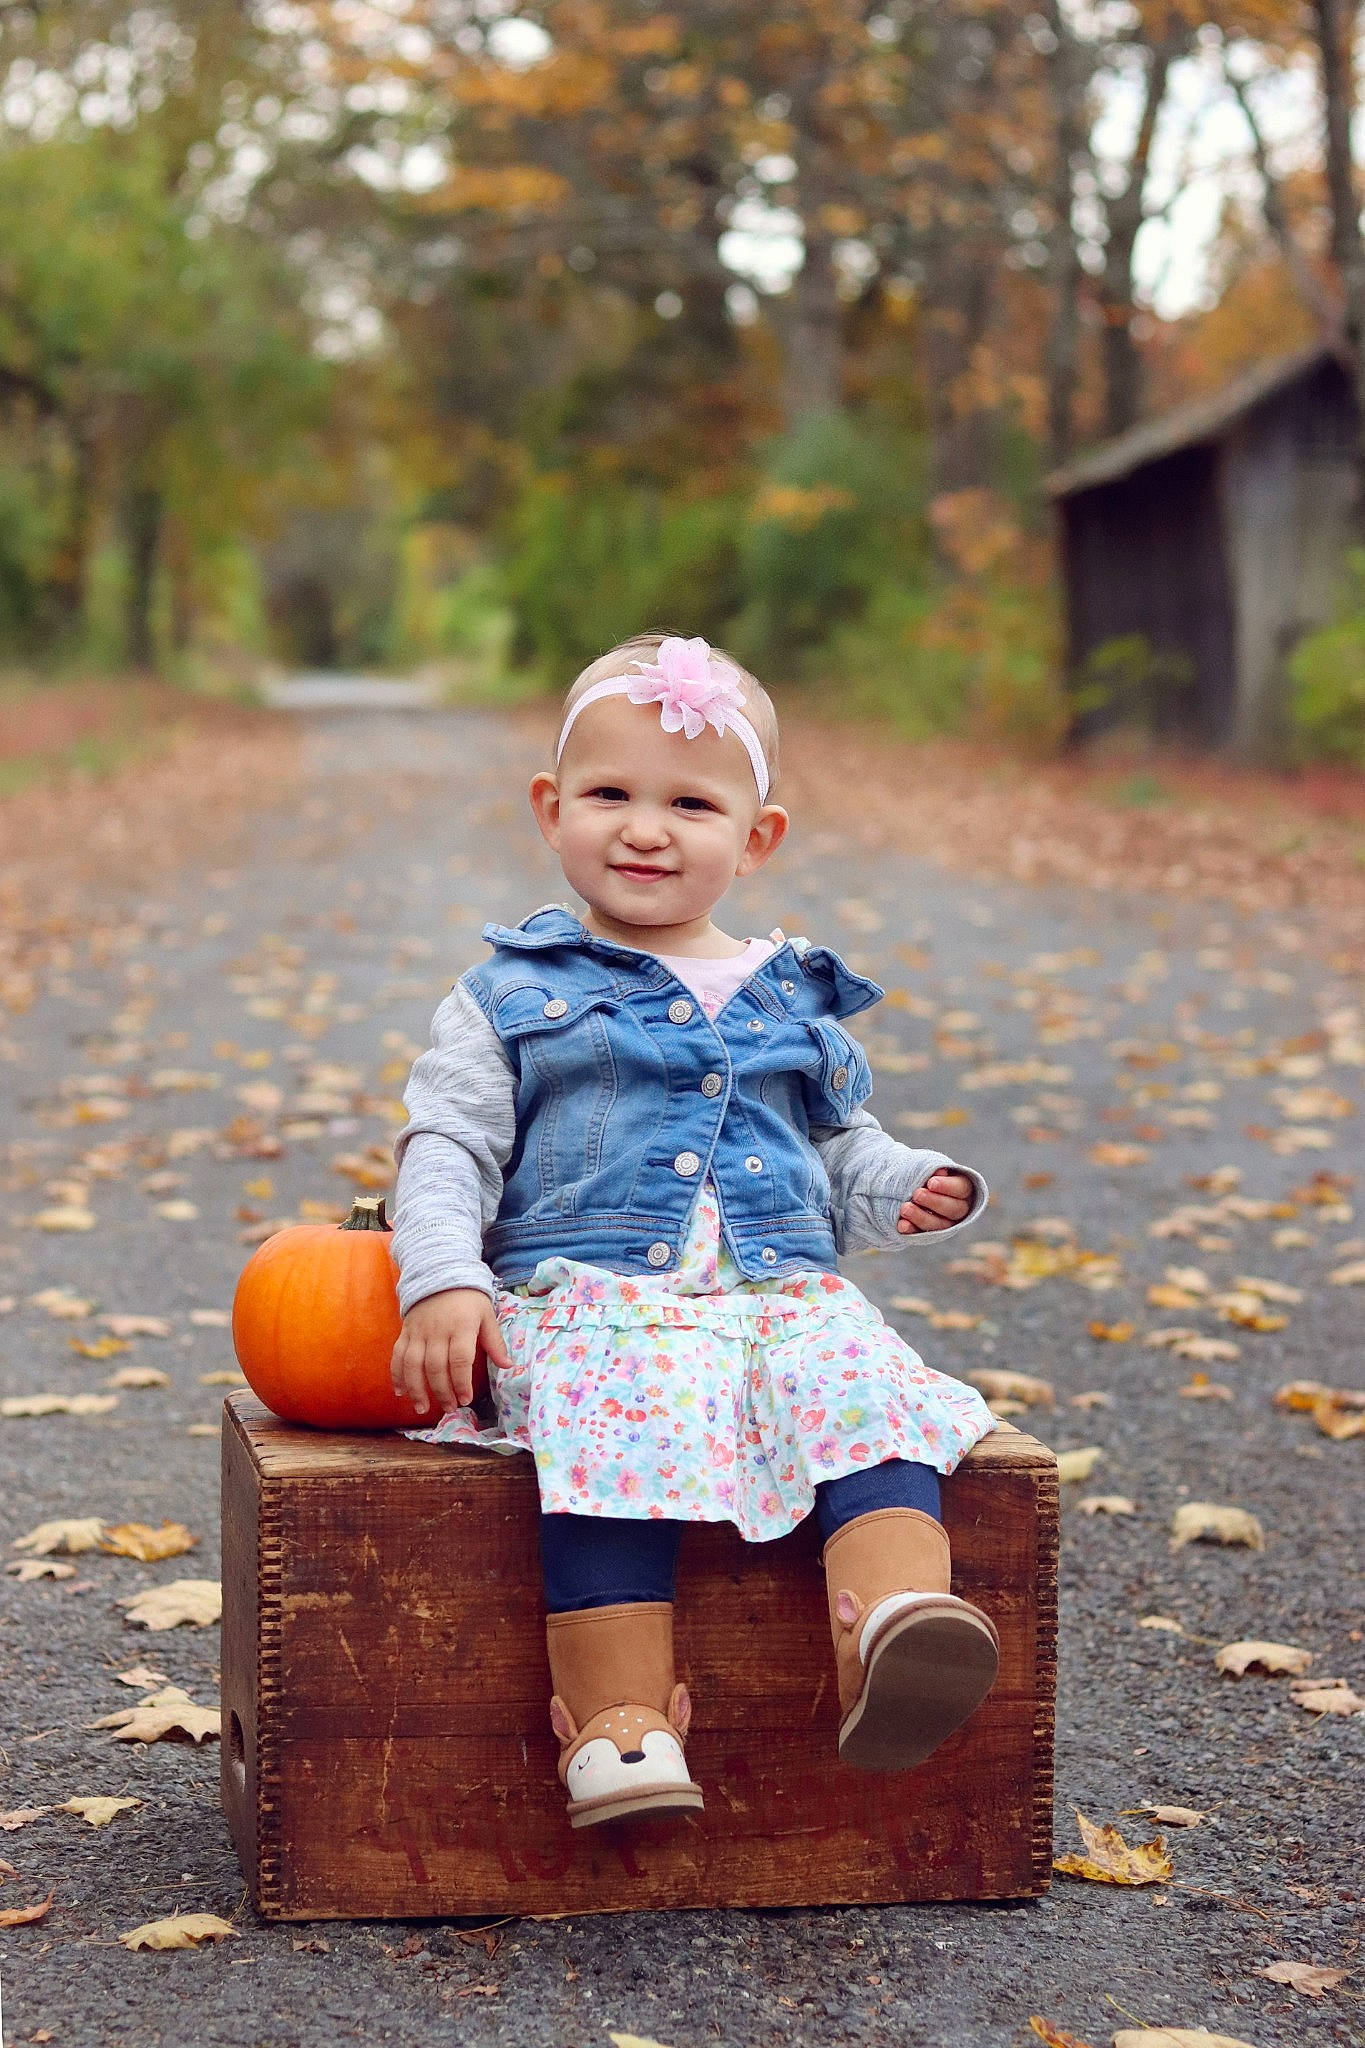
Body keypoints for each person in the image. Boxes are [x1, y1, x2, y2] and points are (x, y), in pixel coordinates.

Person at [389, 631, 999, 1830]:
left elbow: (839, 1145)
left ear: (756, 838)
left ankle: (889, 1624)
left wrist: (910, 1181)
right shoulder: (511, 991)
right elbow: (451, 1145)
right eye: (610, 795)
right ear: (550, 809)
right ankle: (621, 1724)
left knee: (866, 1381)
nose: (645, 828)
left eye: (690, 802)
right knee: (627, 1417)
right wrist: (443, 1279)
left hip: (774, 1297)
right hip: (594, 1301)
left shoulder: (791, 991)